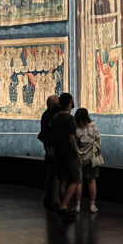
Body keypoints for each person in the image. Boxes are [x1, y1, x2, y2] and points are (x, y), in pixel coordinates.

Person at [50, 93, 81, 221]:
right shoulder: (69, 118)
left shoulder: (55, 117)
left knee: (63, 180)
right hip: (69, 154)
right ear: (69, 103)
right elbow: (71, 138)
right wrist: (77, 152)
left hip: (58, 153)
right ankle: (64, 205)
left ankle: (64, 206)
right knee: (76, 180)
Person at [74, 107, 101, 214]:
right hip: (91, 159)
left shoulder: (76, 129)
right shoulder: (93, 127)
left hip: (79, 158)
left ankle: (77, 205)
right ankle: (92, 205)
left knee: (79, 182)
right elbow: (98, 141)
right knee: (92, 181)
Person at [38, 94, 61, 209]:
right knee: (55, 174)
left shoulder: (45, 115)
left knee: (50, 174)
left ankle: (49, 198)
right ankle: (55, 200)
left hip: (49, 148)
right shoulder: (52, 116)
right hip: (53, 149)